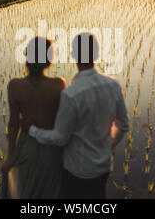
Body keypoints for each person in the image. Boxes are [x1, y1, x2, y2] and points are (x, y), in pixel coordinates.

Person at [23, 32, 129, 199]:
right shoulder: (113, 85)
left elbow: (60, 138)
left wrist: (33, 130)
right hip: (103, 166)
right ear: (97, 54)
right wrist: (108, 146)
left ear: (73, 55)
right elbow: (123, 125)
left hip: (77, 171)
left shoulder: (71, 94)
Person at [2, 36, 66, 198]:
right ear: (48, 60)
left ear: (27, 58)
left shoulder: (15, 86)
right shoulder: (59, 85)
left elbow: (14, 124)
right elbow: (64, 122)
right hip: (53, 151)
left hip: (27, 149)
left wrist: (10, 157)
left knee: (26, 193)